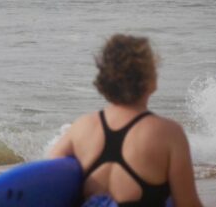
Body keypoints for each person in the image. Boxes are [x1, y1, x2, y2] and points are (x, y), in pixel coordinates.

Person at [49, 34, 203, 207]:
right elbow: (188, 204)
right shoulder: (169, 133)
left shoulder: (81, 127)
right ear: (150, 79)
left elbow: (48, 178)